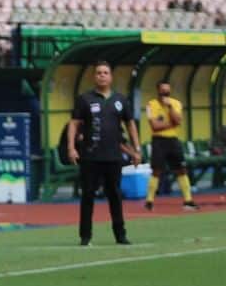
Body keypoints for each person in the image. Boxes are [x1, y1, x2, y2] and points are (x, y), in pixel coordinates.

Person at [67, 61, 141, 246]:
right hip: (91, 156)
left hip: (113, 156)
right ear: (94, 77)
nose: (102, 75)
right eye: (98, 72)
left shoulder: (120, 100)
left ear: (111, 77)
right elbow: (74, 124)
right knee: (88, 196)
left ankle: (120, 235)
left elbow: (130, 125)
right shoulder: (85, 99)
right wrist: (71, 147)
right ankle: (85, 236)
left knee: (115, 195)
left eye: (105, 72)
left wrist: (136, 149)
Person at [143, 81, 199, 212]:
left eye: (167, 92)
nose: (165, 94)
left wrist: (170, 108)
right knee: (156, 170)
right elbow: (155, 126)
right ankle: (149, 201)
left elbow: (178, 120)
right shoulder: (151, 104)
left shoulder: (176, 103)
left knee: (181, 169)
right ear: (158, 91)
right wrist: (171, 124)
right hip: (158, 141)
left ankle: (188, 200)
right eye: (163, 91)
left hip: (173, 140)